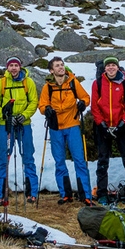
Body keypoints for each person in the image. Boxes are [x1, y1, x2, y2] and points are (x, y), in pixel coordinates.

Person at [38, 56, 92, 205]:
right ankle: (65, 194)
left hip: (73, 125)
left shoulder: (73, 82)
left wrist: (82, 103)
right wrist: (46, 109)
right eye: (57, 65)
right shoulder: (47, 87)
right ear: (51, 70)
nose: (61, 67)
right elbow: (41, 106)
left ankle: (86, 195)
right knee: (59, 162)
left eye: (62, 65)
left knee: (79, 161)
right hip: (55, 128)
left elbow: (86, 97)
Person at [91, 56, 125, 205]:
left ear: (118, 67)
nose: (111, 68)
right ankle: (102, 194)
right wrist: (102, 124)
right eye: (108, 65)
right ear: (104, 68)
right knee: (102, 161)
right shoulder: (98, 83)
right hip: (103, 127)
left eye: (113, 65)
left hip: (122, 126)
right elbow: (94, 106)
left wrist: (123, 123)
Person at [0, 56, 39, 204]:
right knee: (3, 158)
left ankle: (32, 193)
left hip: (24, 125)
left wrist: (24, 116)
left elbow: (34, 102)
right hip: (6, 126)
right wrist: (5, 117)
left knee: (28, 157)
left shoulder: (28, 82)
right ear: (7, 68)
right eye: (10, 65)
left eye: (16, 65)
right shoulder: (0, 83)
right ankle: (2, 194)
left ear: (20, 67)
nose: (13, 68)